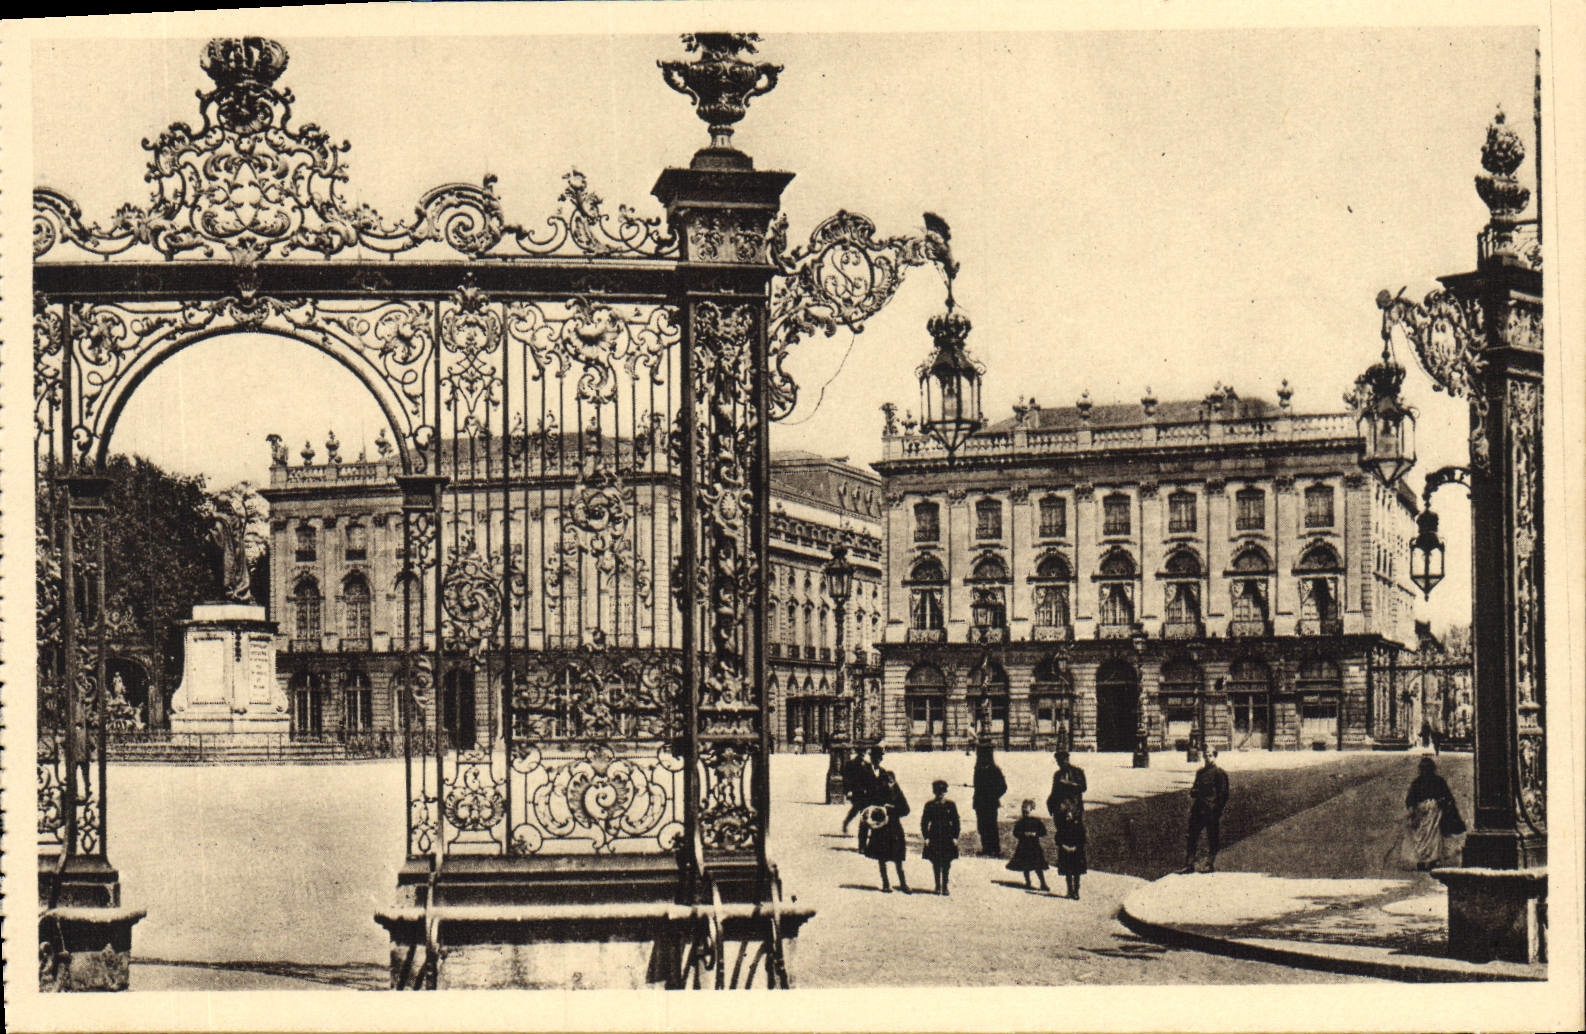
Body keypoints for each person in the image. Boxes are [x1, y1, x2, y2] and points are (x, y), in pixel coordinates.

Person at [1397, 756, 1465, 871]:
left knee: (1424, 837)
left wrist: (1413, 809)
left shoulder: (1418, 782)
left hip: (1429, 814)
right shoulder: (1436, 781)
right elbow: (1447, 797)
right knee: (1431, 836)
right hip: (1429, 814)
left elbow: (1410, 799)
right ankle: (1430, 860)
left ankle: (1423, 860)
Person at [1181, 748, 1230, 873]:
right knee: (1192, 836)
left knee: (1212, 837)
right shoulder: (1200, 773)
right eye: (1206, 755)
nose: (1207, 757)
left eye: (1210, 755)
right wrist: (1194, 792)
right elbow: (1194, 788)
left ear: (1214, 756)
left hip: (1211, 811)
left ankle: (1210, 863)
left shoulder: (1219, 773)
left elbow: (1223, 795)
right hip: (1198, 809)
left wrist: (1217, 810)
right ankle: (1189, 864)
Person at [863, 770, 911, 893]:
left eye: (891, 782)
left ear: (894, 782)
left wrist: (893, 809)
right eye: (887, 782)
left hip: (895, 828)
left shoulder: (898, 793)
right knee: (882, 857)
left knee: (898, 858)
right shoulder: (878, 793)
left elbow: (906, 810)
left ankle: (903, 883)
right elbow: (870, 809)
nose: (889, 784)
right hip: (881, 829)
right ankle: (885, 883)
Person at [920, 778, 961, 895]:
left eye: (943, 791)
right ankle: (937, 886)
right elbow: (924, 822)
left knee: (947, 862)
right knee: (936, 862)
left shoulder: (951, 805)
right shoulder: (929, 805)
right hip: (934, 836)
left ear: (946, 792)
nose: (941, 794)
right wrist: (926, 837)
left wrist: (955, 837)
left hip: (947, 836)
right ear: (935, 792)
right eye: (938, 792)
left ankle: (945, 886)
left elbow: (956, 821)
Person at [1007, 800, 1050, 891]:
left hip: (1034, 846)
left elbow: (1043, 832)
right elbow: (1015, 833)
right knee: (1025, 866)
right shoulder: (1020, 822)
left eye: (1027, 809)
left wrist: (1036, 834)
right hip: (1023, 846)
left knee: (1038, 866)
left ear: (1032, 810)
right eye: (1023, 809)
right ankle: (1028, 882)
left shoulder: (1036, 821)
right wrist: (1023, 834)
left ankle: (1043, 883)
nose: (1025, 811)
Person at [971, 747, 1008, 856]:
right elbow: (977, 787)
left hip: (991, 803)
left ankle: (995, 849)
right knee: (982, 826)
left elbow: (1003, 787)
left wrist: (993, 795)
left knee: (991, 826)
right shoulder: (978, 770)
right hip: (980, 803)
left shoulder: (995, 770)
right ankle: (986, 848)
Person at [1052, 794, 1087, 900]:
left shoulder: (1078, 826)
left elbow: (1082, 839)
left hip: (1076, 852)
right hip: (1065, 851)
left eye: (1070, 814)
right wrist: (1064, 846)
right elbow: (1058, 838)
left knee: (1076, 873)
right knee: (1068, 872)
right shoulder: (1062, 827)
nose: (1068, 816)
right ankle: (1069, 890)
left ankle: (1076, 891)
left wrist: (1076, 847)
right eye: (1066, 815)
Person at [1045, 749, 1087, 824]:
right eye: (1058, 762)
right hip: (1060, 809)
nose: (1059, 764)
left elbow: (1083, 788)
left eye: (1061, 761)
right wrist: (1050, 804)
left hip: (1074, 808)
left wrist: (1069, 784)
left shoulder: (1077, 772)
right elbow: (1054, 791)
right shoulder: (1057, 774)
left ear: (1067, 760)